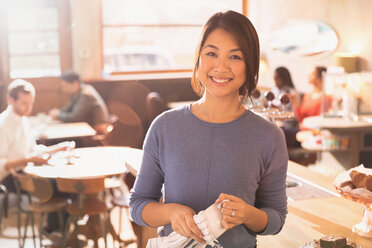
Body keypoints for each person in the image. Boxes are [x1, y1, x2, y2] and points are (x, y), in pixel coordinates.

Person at [130, 11, 288, 248]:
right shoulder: (165, 127)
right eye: (212, 53)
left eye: (235, 57)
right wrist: (171, 212)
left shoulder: (269, 137)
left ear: (250, 65)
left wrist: (247, 214)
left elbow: (276, 217)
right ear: (198, 60)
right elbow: (138, 204)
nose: (221, 67)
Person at [0, 79, 69, 191]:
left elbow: (32, 150)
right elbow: (1, 164)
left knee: (65, 177)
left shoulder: (23, 119)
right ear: (11, 100)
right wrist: (27, 159)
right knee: (62, 185)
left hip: (27, 169)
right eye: (24, 103)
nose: (28, 108)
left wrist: (58, 148)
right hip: (12, 177)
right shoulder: (2, 125)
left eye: (31, 103)